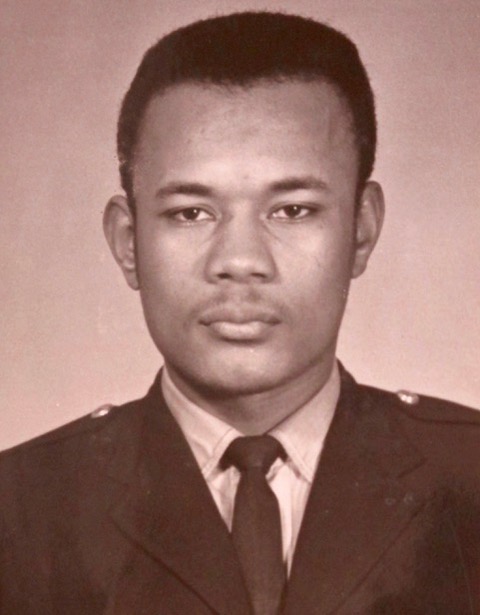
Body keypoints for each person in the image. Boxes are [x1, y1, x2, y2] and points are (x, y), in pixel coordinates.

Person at [1, 11, 479, 615]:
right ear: (127, 242)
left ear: (361, 230)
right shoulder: (18, 511)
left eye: (293, 210)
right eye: (191, 213)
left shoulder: (469, 478)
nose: (241, 261)